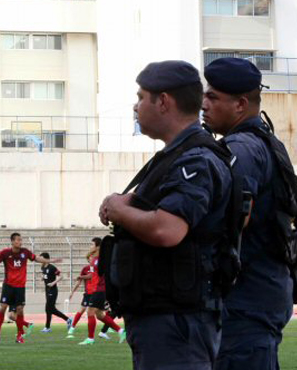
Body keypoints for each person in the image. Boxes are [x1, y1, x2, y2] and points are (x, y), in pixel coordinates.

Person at [99, 60, 232, 369]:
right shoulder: (177, 156)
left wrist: (120, 210)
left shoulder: (194, 160)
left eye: (141, 97)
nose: (135, 107)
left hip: (176, 321)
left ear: (163, 102)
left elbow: (167, 230)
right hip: (165, 316)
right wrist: (127, 202)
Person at [202, 57, 296, 370]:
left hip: (246, 301)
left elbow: (232, 217)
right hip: (261, 294)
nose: (204, 104)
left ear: (240, 104)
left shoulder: (242, 147)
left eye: (213, 97)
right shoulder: (266, 142)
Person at [0, 232, 60, 344]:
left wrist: (50, 261)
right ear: (12, 241)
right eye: (18, 240)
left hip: (20, 287)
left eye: (21, 240)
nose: (20, 242)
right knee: (3, 307)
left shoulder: (25, 252)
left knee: (19, 310)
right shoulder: (5, 253)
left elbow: (37, 259)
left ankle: (20, 335)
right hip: (8, 286)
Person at [78, 239, 124, 346]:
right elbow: (93, 275)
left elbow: (102, 274)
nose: (90, 246)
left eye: (92, 245)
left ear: (98, 246)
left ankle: (90, 339)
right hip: (97, 289)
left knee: (90, 312)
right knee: (99, 315)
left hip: (101, 289)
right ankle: (121, 332)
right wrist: (82, 277)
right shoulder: (94, 259)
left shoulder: (100, 259)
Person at [40, 252, 71, 333]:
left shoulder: (52, 267)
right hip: (47, 290)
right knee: (50, 309)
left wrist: (53, 283)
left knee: (48, 308)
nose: (40, 260)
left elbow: (61, 276)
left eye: (42, 258)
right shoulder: (43, 267)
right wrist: (43, 278)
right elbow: (45, 275)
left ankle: (48, 327)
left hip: (53, 290)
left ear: (46, 259)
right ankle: (67, 320)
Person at [67, 253, 95, 339]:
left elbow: (91, 276)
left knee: (96, 313)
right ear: (88, 259)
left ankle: (104, 330)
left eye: (93, 257)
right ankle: (72, 327)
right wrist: (72, 292)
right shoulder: (85, 269)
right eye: (91, 257)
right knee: (82, 310)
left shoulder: (98, 268)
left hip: (97, 293)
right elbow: (79, 282)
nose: (92, 259)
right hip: (88, 294)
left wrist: (80, 276)